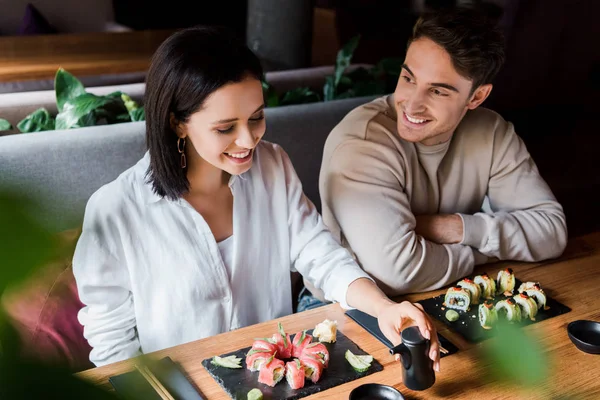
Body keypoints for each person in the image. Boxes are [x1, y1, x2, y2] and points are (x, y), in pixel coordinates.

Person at [72, 25, 440, 369]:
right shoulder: (116, 209)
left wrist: (383, 308)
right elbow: (111, 339)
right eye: (225, 128)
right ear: (176, 122)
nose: (249, 141)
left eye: (257, 117)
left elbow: (321, 256)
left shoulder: (273, 166)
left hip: (277, 377)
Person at [299, 7, 567, 310]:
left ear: (476, 97)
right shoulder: (362, 142)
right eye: (408, 78)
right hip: (341, 310)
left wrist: (455, 228)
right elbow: (396, 273)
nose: (412, 104)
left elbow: (551, 232)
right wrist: (488, 250)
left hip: (450, 293)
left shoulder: (493, 132)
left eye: (437, 91)